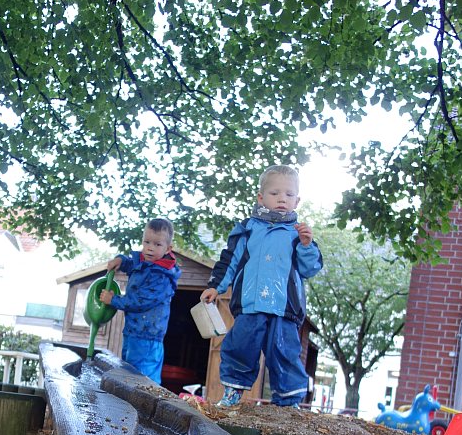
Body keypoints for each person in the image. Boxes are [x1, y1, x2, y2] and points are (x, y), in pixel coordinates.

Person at [201, 165, 322, 408]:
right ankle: (233, 391)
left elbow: (310, 269)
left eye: (289, 195)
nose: (281, 199)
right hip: (250, 304)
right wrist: (216, 286)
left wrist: (307, 246)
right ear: (261, 197)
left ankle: (288, 402)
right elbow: (230, 261)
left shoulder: (299, 235)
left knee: (285, 352)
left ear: (297, 201)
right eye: (275, 193)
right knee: (239, 347)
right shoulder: (247, 229)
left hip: (284, 308)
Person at [99, 218, 180, 384]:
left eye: (157, 244)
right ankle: (129, 407)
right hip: (132, 330)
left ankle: (146, 408)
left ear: (168, 248)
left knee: (144, 380)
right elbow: (132, 264)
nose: (150, 248)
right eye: (147, 242)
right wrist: (120, 260)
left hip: (148, 336)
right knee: (128, 373)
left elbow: (140, 302)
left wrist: (113, 300)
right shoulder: (144, 263)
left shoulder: (162, 276)